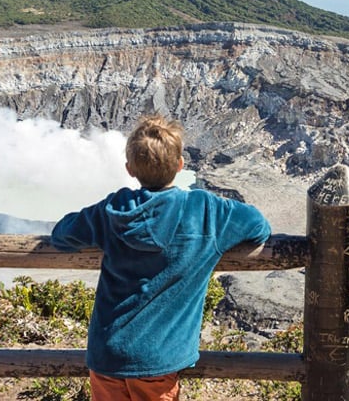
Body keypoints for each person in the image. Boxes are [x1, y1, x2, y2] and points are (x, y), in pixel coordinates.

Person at [50, 114, 272, 401]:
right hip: (157, 360)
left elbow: (62, 234)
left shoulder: (112, 210)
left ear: (130, 169)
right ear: (180, 165)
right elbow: (258, 226)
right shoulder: (205, 211)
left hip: (107, 355)